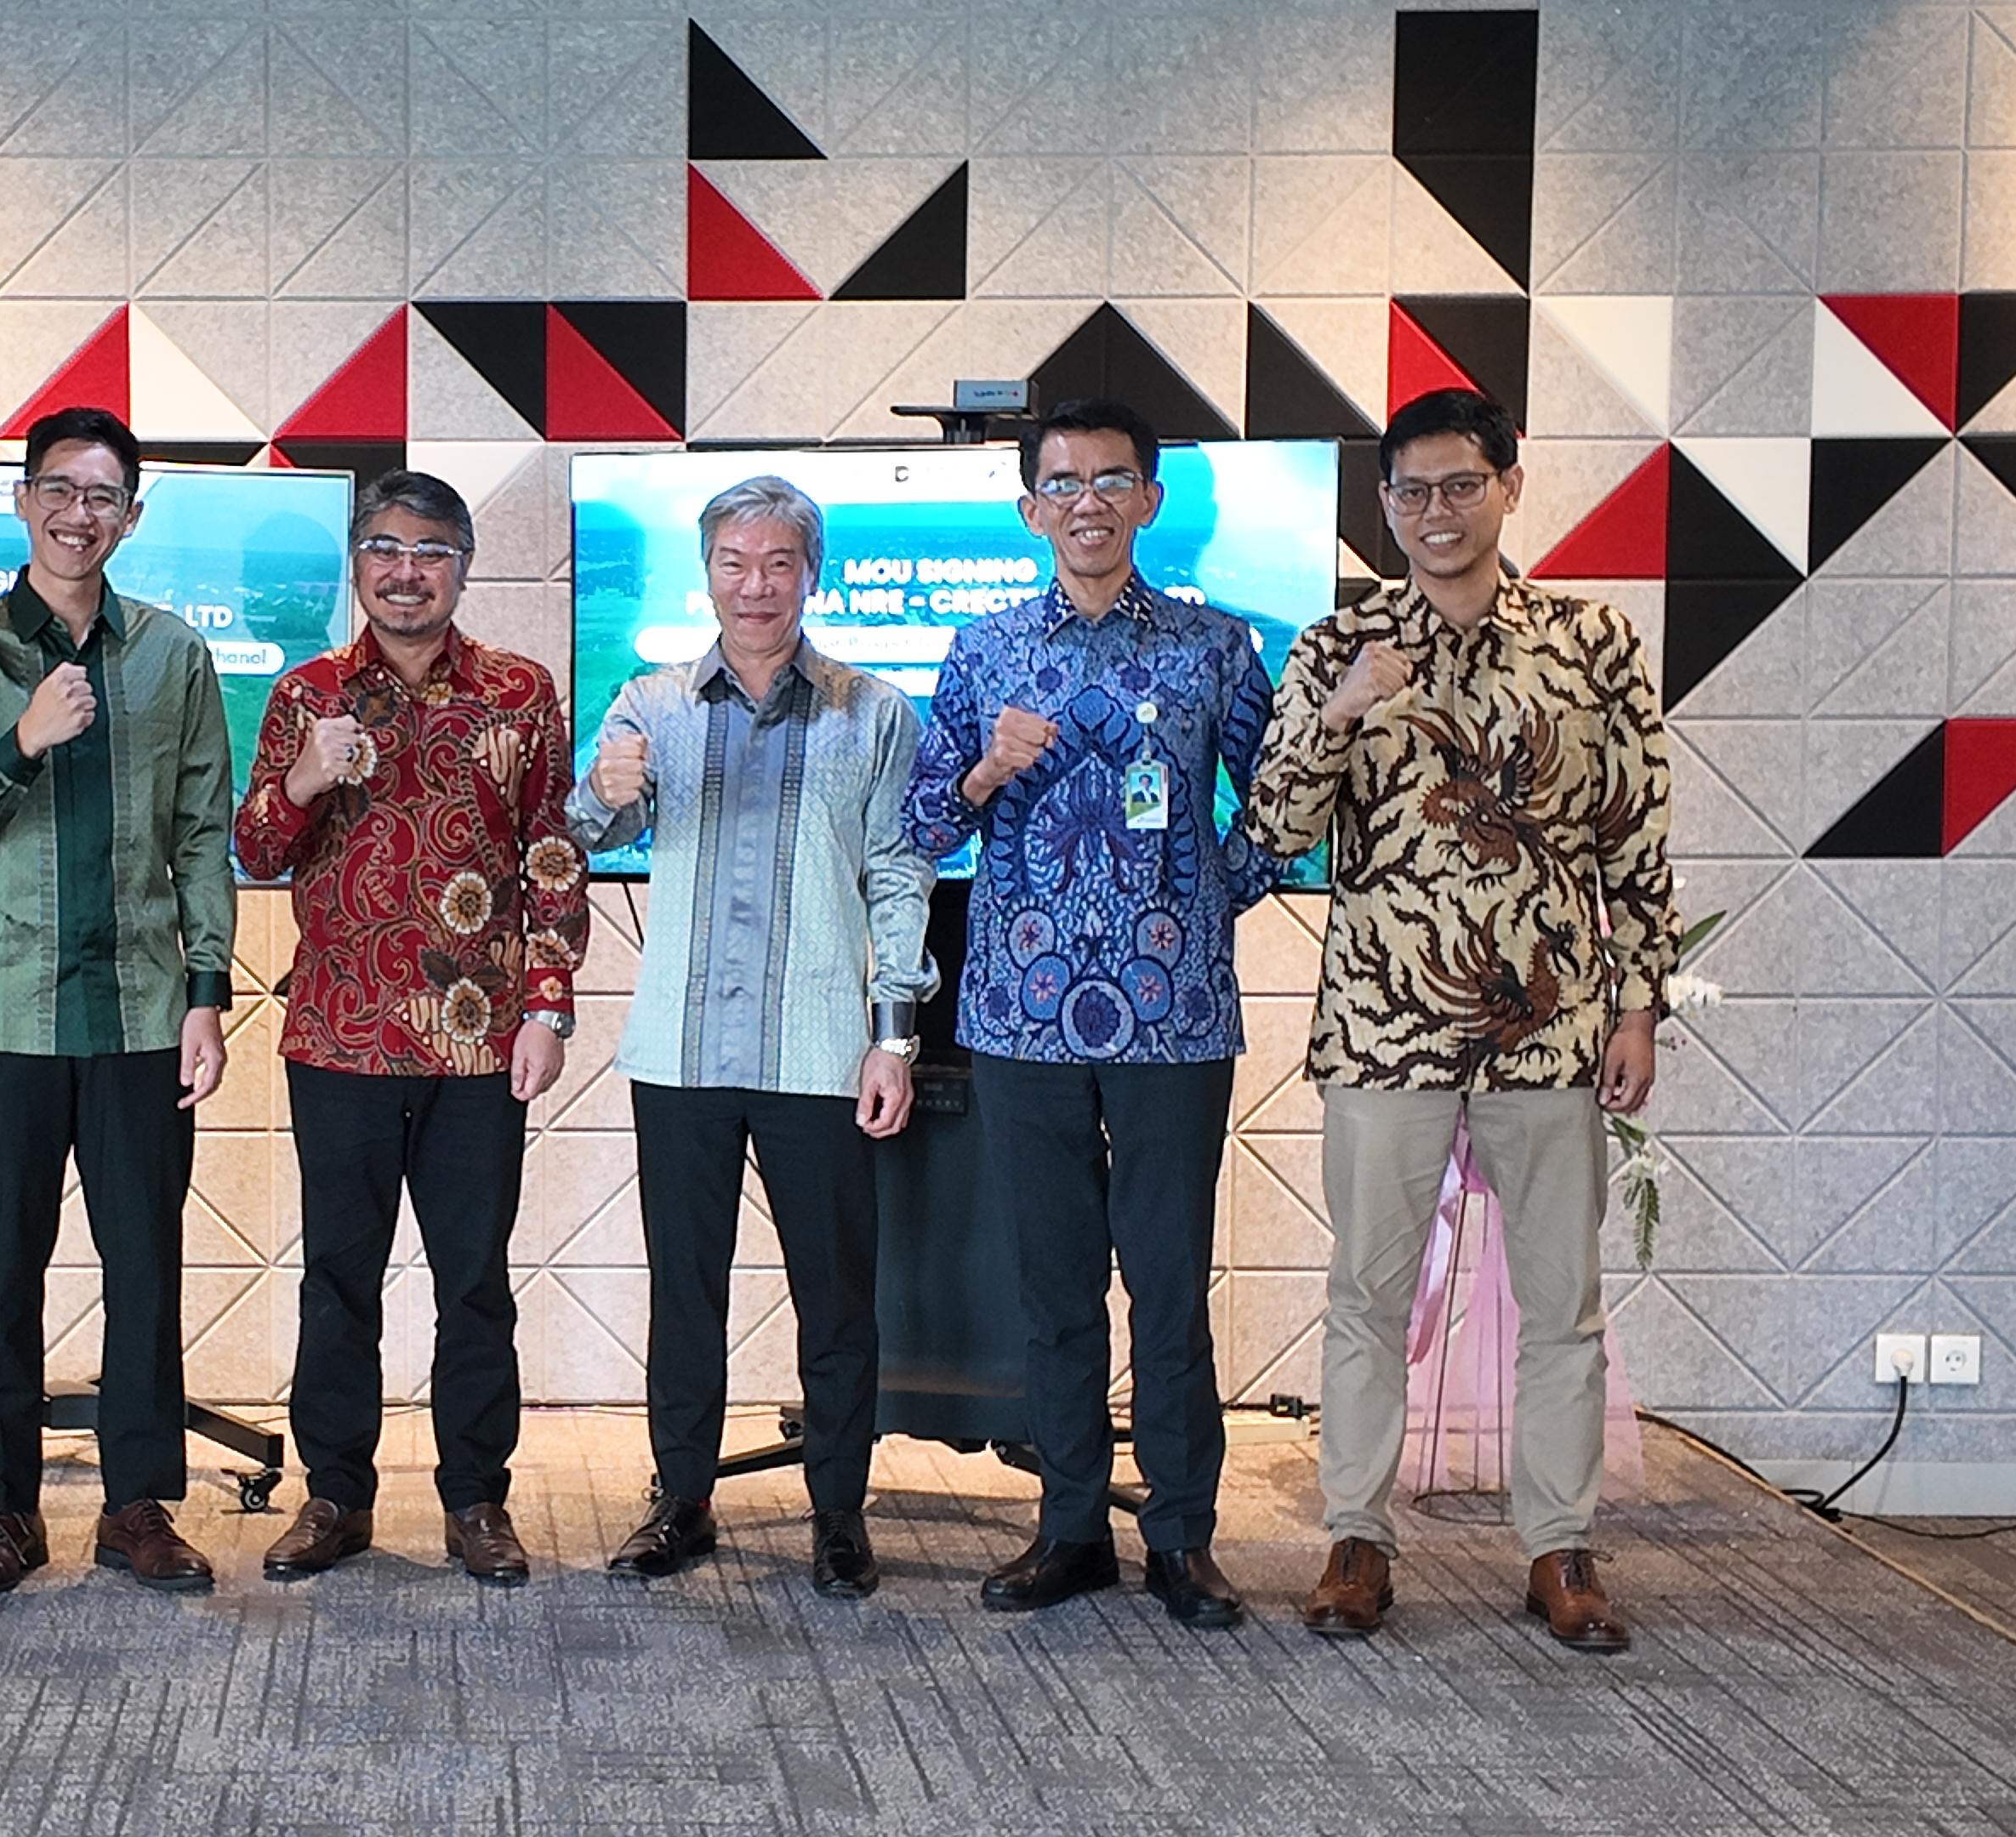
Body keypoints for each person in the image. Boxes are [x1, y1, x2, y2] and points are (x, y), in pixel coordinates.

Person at [1244, 387, 1676, 1653]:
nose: (1437, 512)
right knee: (1367, 1294)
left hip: (1552, 1026)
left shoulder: (1591, 643)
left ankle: (1559, 1547)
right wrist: (1339, 714)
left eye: (1460, 486)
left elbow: (1636, 838)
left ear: (1509, 487)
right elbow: (1272, 828)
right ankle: (1356, 1538)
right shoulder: (1339, 643)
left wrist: (1638, 1005)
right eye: (1412, 492)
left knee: (1563, 1302)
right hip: (1385, 1028)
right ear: (1385, 506)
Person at [903, 399, 1281, 1629]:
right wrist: (986, 769)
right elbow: (922, 827)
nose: (1088, 502)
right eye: (1062, 483)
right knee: (1052, 1288)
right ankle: (1069, 1528)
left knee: (1168, 1287)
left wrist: (1204, 897)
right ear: (1030, 510)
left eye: (1113, 480)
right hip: (1019, 1018)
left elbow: (1281, 809)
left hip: (1177, 1020)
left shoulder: (1216, 646)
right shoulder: (984, 648)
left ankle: (1181, 1537)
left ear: (1149, 501)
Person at [568, 475, 934, 1600]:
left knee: (838, 1293)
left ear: (812, 575)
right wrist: (601, 790)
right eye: (735, 562)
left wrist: (895, 1035)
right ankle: (680, 1499)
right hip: (679, 1052)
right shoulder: (650, 703)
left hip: (820, 1047)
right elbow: (581, 834)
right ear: (708, 573)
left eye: (779, 563)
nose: (757, 585)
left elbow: (898, 874)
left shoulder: (876, 713)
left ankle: (839, 1512)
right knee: (687, 1289)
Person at [232, 469, 588, 1587]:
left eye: (430, 551)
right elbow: (255, 849)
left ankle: (477, 1499)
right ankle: (334, 1496)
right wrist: (304, 776)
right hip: (339, 1035)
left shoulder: (520, 691)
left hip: (480, 1042)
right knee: (337, 1279)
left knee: (472, 1280)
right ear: (358, 564)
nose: (405, 571)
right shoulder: (308, 693)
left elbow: (551, 854)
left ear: (463, 567)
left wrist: (549, 1005)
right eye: (384, 548)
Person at [0, 406, 237, 1597]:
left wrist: (208, 992)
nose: (77, 513)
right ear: (23, 502)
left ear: (130, 516)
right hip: (5, 1011)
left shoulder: (173, 652)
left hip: (144, 1011)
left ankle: (135, 1506)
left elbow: (201, 833)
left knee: (144, 1262)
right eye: (57, 489)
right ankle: (6, 1508)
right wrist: (22, 741)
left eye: (102, 496)